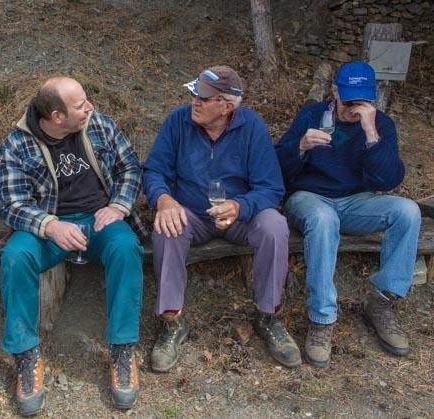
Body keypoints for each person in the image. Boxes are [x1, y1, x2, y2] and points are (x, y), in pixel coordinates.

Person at [0, 76, 145, 415]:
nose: (90, 107)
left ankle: (123, 349)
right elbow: (11, 204)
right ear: (56, 116)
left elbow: (130, 167)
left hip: (99, 220)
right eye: (80, 105)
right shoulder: (17, 144)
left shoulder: (99, 125)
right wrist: (50, 225)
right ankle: (26, 355)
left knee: (126, 248)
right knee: (15, 256)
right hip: (48, 227)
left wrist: (118, 205)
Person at [143, 65, 301, 371]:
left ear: (226, 106)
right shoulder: (178, 121)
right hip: (192, 213)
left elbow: (271, 188)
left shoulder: (251, 127)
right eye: (193, 95)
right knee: (166, 228)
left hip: (239, 216)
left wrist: (240, 207)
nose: (194, 102)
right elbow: (154, 170)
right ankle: (172, 321)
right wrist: (164, 200)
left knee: (274, 226)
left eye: (202, 98)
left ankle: (269, 317)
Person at [275, 61, 421, 368]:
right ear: (335, 91)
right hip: (309, 197)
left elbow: (389, 180)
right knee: (323, 219)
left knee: (408, 211)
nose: (354, 107)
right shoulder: (312, 115)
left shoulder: (380, 124)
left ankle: (381, 303)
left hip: (357, 202)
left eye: (362, 100)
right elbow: (277, 170)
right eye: (349, 99)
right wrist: (300, 146)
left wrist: (371, 134)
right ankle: (322, 319)